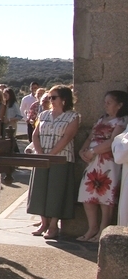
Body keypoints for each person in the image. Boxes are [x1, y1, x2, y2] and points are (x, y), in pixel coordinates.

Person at [27, 85, 80, 239]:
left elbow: (67, 137)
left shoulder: (72, 117)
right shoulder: (43, 115)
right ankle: (43, 222)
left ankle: (53, 225)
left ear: (64, 99)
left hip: (61, 158)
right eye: (49, 97)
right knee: (40, 189)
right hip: (42, 157)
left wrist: (52, 154)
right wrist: (41, 153)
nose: (51, 100)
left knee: (56, 191)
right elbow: (36, 135)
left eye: (54, 97)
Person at [76, 91, 128, 242]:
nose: (105, 106)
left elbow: (113, 141)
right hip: (93, 161)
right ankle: (92, 227)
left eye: (109, 103)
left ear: (119, 105)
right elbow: (91, 136)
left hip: (107, 162)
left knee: (106, 197)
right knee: (87, 195)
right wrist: (82, 150)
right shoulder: (101, 119)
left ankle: (103, 231)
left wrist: (93, 151)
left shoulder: (121, 121)